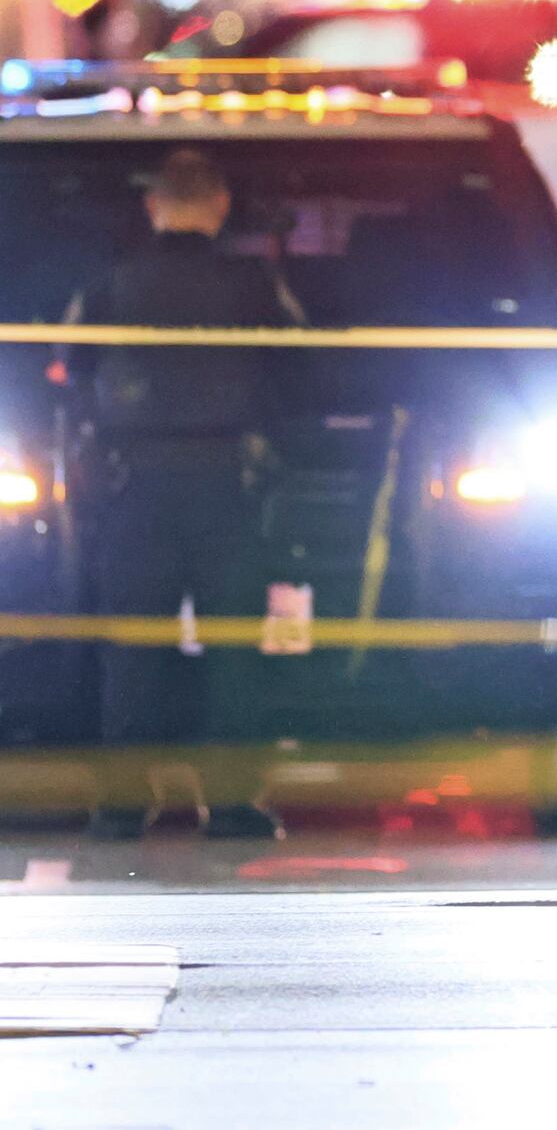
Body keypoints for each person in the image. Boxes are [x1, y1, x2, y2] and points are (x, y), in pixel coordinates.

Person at [66, 148, 306, 841]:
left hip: (135, 485)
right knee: (232, 649)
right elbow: (300, 367)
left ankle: (121, 806)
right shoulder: (254, 285)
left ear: (153, 206)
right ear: (220, 205)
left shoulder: (109, 285)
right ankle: (229, 804)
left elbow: (73, 366)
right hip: (225, 483)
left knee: (132, 648)